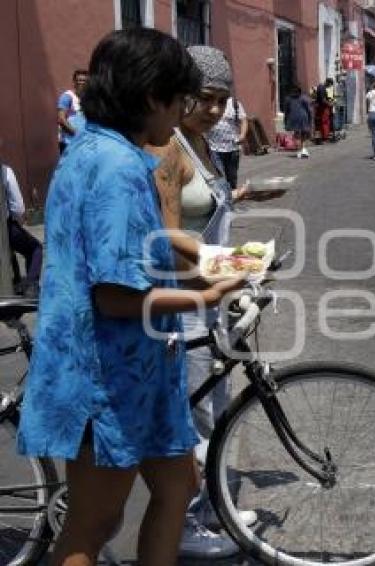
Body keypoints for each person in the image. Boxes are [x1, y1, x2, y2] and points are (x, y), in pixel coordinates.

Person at [17, 28, 245, 566]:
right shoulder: (116, 166)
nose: (185, 113)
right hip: (105, 377)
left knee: (177, 486)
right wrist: (208, 292)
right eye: (183, 99)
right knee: (91, 527)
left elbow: (138, 254)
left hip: (141, 368)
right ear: (151, 97)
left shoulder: (101, 149)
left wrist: (217, 264)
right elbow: (116, 296)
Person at [151, 44, 283, 559]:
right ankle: (184, 521)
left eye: (223, 100)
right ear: (181, 95)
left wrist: (244, 199)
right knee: (195, 417)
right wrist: (233, 268)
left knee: (218, 406)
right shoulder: (169, 149)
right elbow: (166, 239)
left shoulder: (201, 144)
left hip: (213, 299)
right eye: (205, 98)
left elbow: (201, 211)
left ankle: (213, 506)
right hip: (183, 302)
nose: (214, 109)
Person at [2, 159, 43, 297]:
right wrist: (18, 220)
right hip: (4, 228)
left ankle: (17, 282)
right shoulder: (5, 171)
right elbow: (18, 208)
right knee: (35, 248)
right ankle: (31, 285)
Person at [207, 95, 248, 189]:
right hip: (214, 147)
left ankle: (232, 195)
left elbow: (244, 120)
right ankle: (222, 198)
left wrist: (242, 135)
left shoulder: (235, 103)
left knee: (232, 177)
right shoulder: (211, 102)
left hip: (233, 147)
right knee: (219, 176)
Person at [57, 69, 88, 154]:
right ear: (74, 82)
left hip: (84, 143)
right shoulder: (67, 97)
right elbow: (61, 119)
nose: (82, 83)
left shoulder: (88, 99)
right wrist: (76, 134)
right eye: (79, 80)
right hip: (69, 143)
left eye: (84, 81)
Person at [283, 85, 313, 158]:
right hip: (303, 117)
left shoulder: (288, 99)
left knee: (297, 134)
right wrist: (310, 119)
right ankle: (303, 149)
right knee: (303, 134)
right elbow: (309, 110)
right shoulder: (304, 98)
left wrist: (285, 120)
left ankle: (300, 150)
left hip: (294, 118)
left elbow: (286, 111)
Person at [315, 78, 334, 143]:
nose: (329, 87)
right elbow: (323, 99)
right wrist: (329, 104)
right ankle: (325, 137)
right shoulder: (322, 88)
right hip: (323, 107)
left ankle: (323, 136)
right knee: (325, 122)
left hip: (321, 107)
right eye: (330, 85)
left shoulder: (320, 87)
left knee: (323, 122)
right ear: (328, 83)